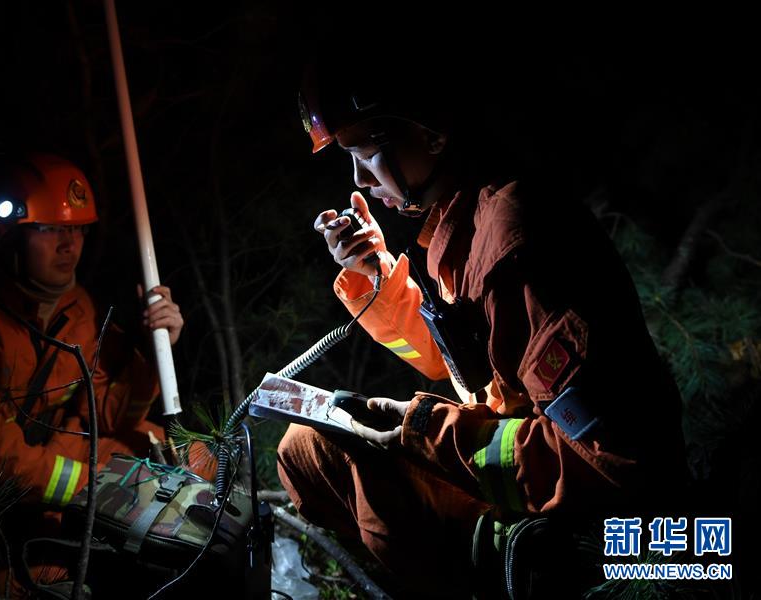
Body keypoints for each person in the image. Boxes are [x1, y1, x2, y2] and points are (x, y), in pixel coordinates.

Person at [277, 52, 688, 597]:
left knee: (323, 448)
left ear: (432, 134)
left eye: (367, 154)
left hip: (619, 535)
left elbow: (608, 461)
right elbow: (463, 362)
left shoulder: (513, 241)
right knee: (306, 447)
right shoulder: (459, 222)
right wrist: (374, 273)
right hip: (532, 485)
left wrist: (426, 429)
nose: (357, 177)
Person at [0, 153, 186, 594]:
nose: (70, 245)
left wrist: (150, 353)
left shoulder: (78, 309)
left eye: (77, 229)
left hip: (52, 476)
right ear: (10, 234)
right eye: (50, 229)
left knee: (169, 450)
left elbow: (106, 416)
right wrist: (98, 489)